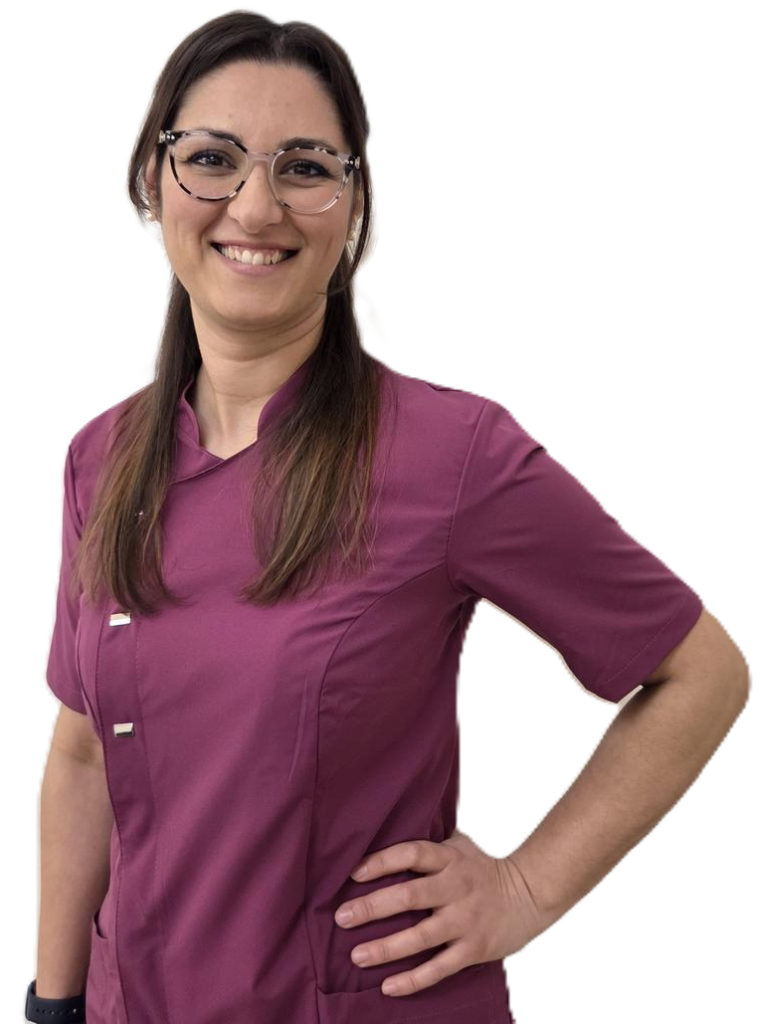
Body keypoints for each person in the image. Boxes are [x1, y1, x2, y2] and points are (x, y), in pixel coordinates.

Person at [29, 10, 751, 1024]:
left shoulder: (452, 453)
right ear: (155, 180)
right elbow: (83, 751)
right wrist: (53, 1003)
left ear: (356, 202)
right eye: (212, 159)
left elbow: (702, 670)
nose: (255, 205)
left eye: (304, 168)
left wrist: (526, 888)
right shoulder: (102, 458)